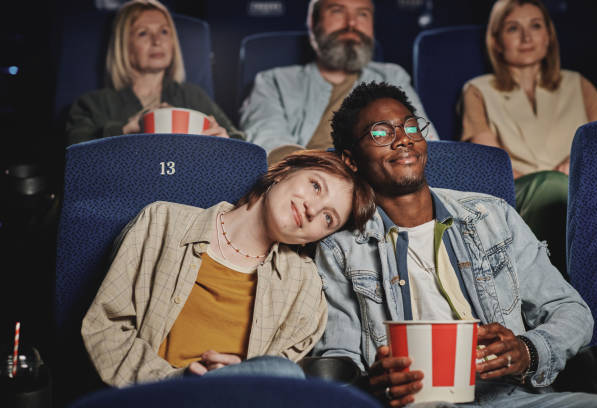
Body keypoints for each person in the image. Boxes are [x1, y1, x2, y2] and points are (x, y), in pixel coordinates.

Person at [313, 81, 597, 407]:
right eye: (381, 133)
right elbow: (339, 355)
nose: (403, 139)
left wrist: (529, 350)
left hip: (510, 397)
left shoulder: (492, 215)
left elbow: (571, 311)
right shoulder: (340, 248)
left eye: (410, 126)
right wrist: (370, 385)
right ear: (351, 159)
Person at [81, 150, 375, 387]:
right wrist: (174, 381)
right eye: (315, 186)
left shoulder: (305, 288)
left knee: (283, 375)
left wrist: (241, 378)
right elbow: (105, 327)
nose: (312, 209)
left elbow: (278, 386)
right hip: (149, 398)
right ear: (284, 172)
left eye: (328, 219)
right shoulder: (162, 222)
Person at [460, 0, 597, 278]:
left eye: (535, 26)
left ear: (548, 36)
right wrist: (555, 179)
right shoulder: (477, 90)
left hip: (579, 189)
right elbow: (490, 164)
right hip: (517, 192)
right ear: (496, 41)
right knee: (554, 186)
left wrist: (578, 165)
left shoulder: (577, 83)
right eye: (513, 28)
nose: (526, 37)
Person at [240, 0, 438, 164]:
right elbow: (269, 143)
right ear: (313, 23)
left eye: (363, 14)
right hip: (308, 185)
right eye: (337, 11)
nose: (351, 23)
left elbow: (424, 141)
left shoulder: (393, 77)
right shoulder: (273, 81)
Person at [66, 0, 242, 145]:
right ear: (124, 46)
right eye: (143, 33)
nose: (157, 41)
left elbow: (241, 144)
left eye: (164, 32)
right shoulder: (92, 104)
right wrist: (126, 130)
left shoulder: (192, 96)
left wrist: (225, 143)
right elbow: (75, 158)